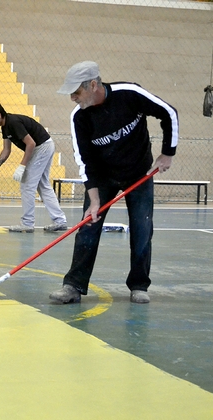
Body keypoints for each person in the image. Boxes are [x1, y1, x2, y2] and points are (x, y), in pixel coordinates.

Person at [50, 61, 178, 304]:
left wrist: (167, 153)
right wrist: (94, 200)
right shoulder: (79, 117)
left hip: (139, 174)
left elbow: (168, 113)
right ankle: (73, 286)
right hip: (103, 177)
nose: (72, 98)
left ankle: (139, 285)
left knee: (142, 228)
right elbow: (84, 159)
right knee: (89, 225)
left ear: (93, 85)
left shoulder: (129, 94)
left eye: (76, 92)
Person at [0, 102, 67, 233]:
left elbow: (31, 144)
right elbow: (6, 150)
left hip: (42, 147)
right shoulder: (5, 127)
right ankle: (60, 220)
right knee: (43, 185)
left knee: (27, 185)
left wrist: (22, 166)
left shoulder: (13, 122)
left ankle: (27, 223)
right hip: (44, 146)